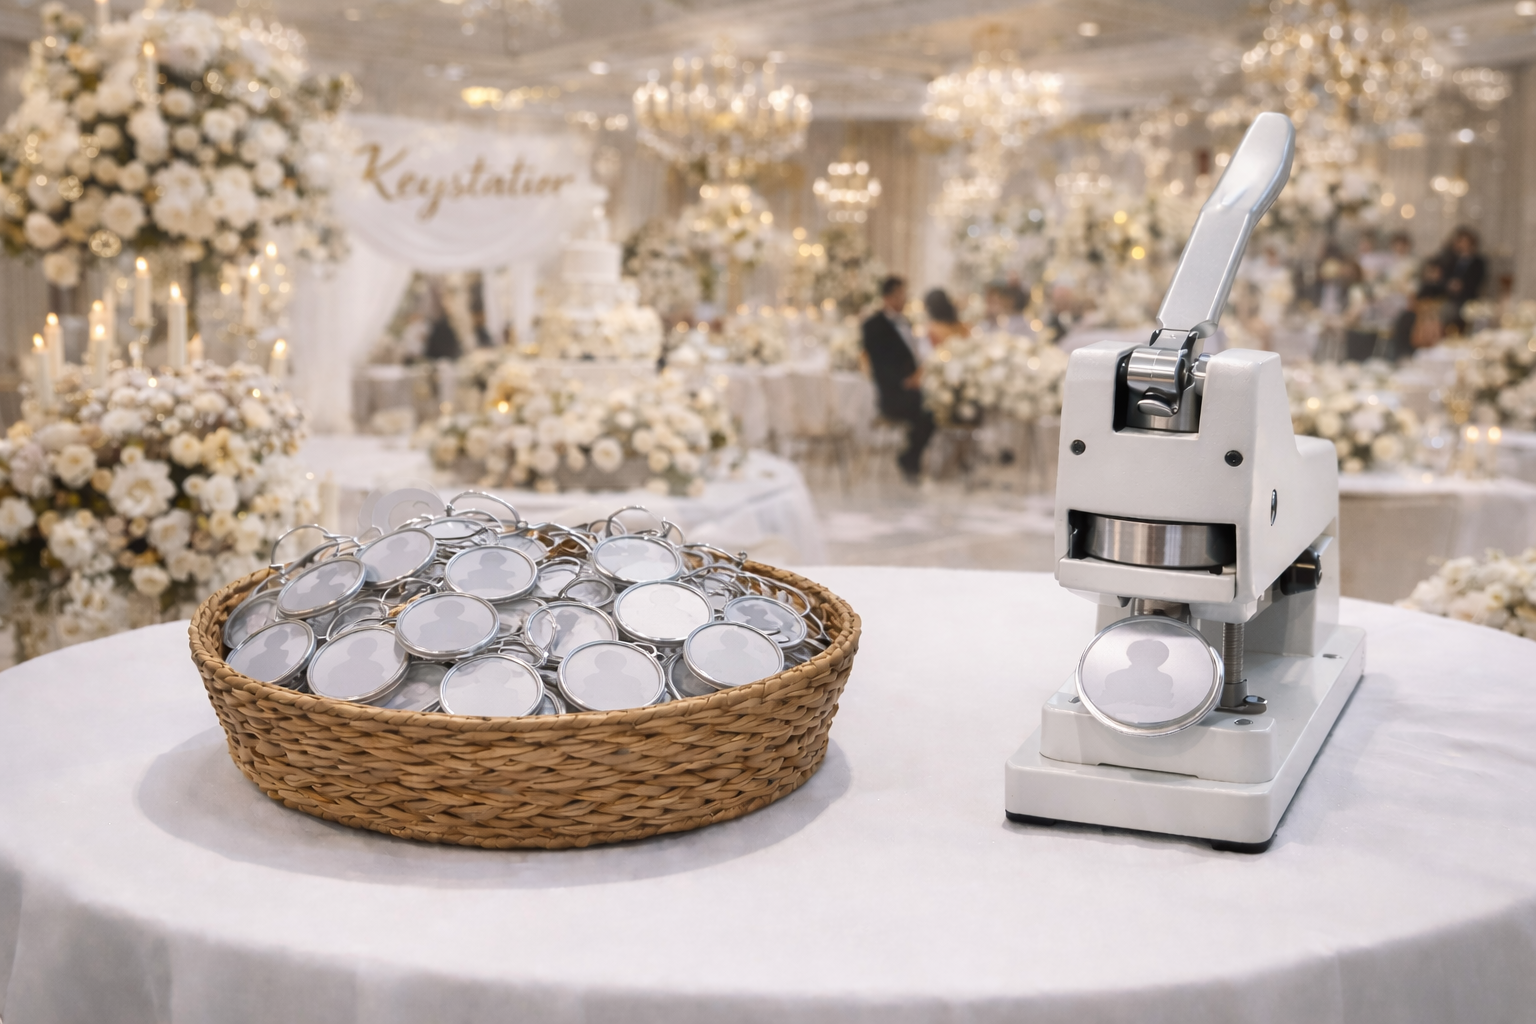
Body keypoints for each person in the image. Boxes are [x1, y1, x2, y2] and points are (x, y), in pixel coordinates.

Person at [861, 275, 934, 482]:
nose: (905, 299)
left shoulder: (906, 322)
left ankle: (910, 456)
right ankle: (910, 458)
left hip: (911, 387)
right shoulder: (873, 325)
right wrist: (903, 381)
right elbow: (879, 363)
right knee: (927, 410)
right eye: (901, 294)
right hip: (892, 392)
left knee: (933, 407)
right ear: (889, 296)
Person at [1439, 226, 1486, 334]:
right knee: (1446, 310)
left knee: (1456, 311)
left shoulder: (1478, 262)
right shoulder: (1451, 259)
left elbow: (1478, 281)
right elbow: (1444, 277)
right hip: (1451, 297)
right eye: (1460, 241)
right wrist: (1450, 284)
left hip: (1469, 297)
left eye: (1465, 241)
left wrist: (1462, 285)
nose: (1462, 244)